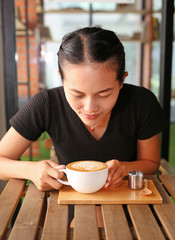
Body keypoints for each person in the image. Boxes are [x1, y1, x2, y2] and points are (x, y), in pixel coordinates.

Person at [0, 26, 168, 191]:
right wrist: (30, 170)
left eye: (103, 94)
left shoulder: (141, 102)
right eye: (77, 94)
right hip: (71, 200)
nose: (90, 108)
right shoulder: (47, 103)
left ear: (122, 80)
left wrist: (123, 168)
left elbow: (151, 163)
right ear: (62, 79)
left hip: (126, 199)